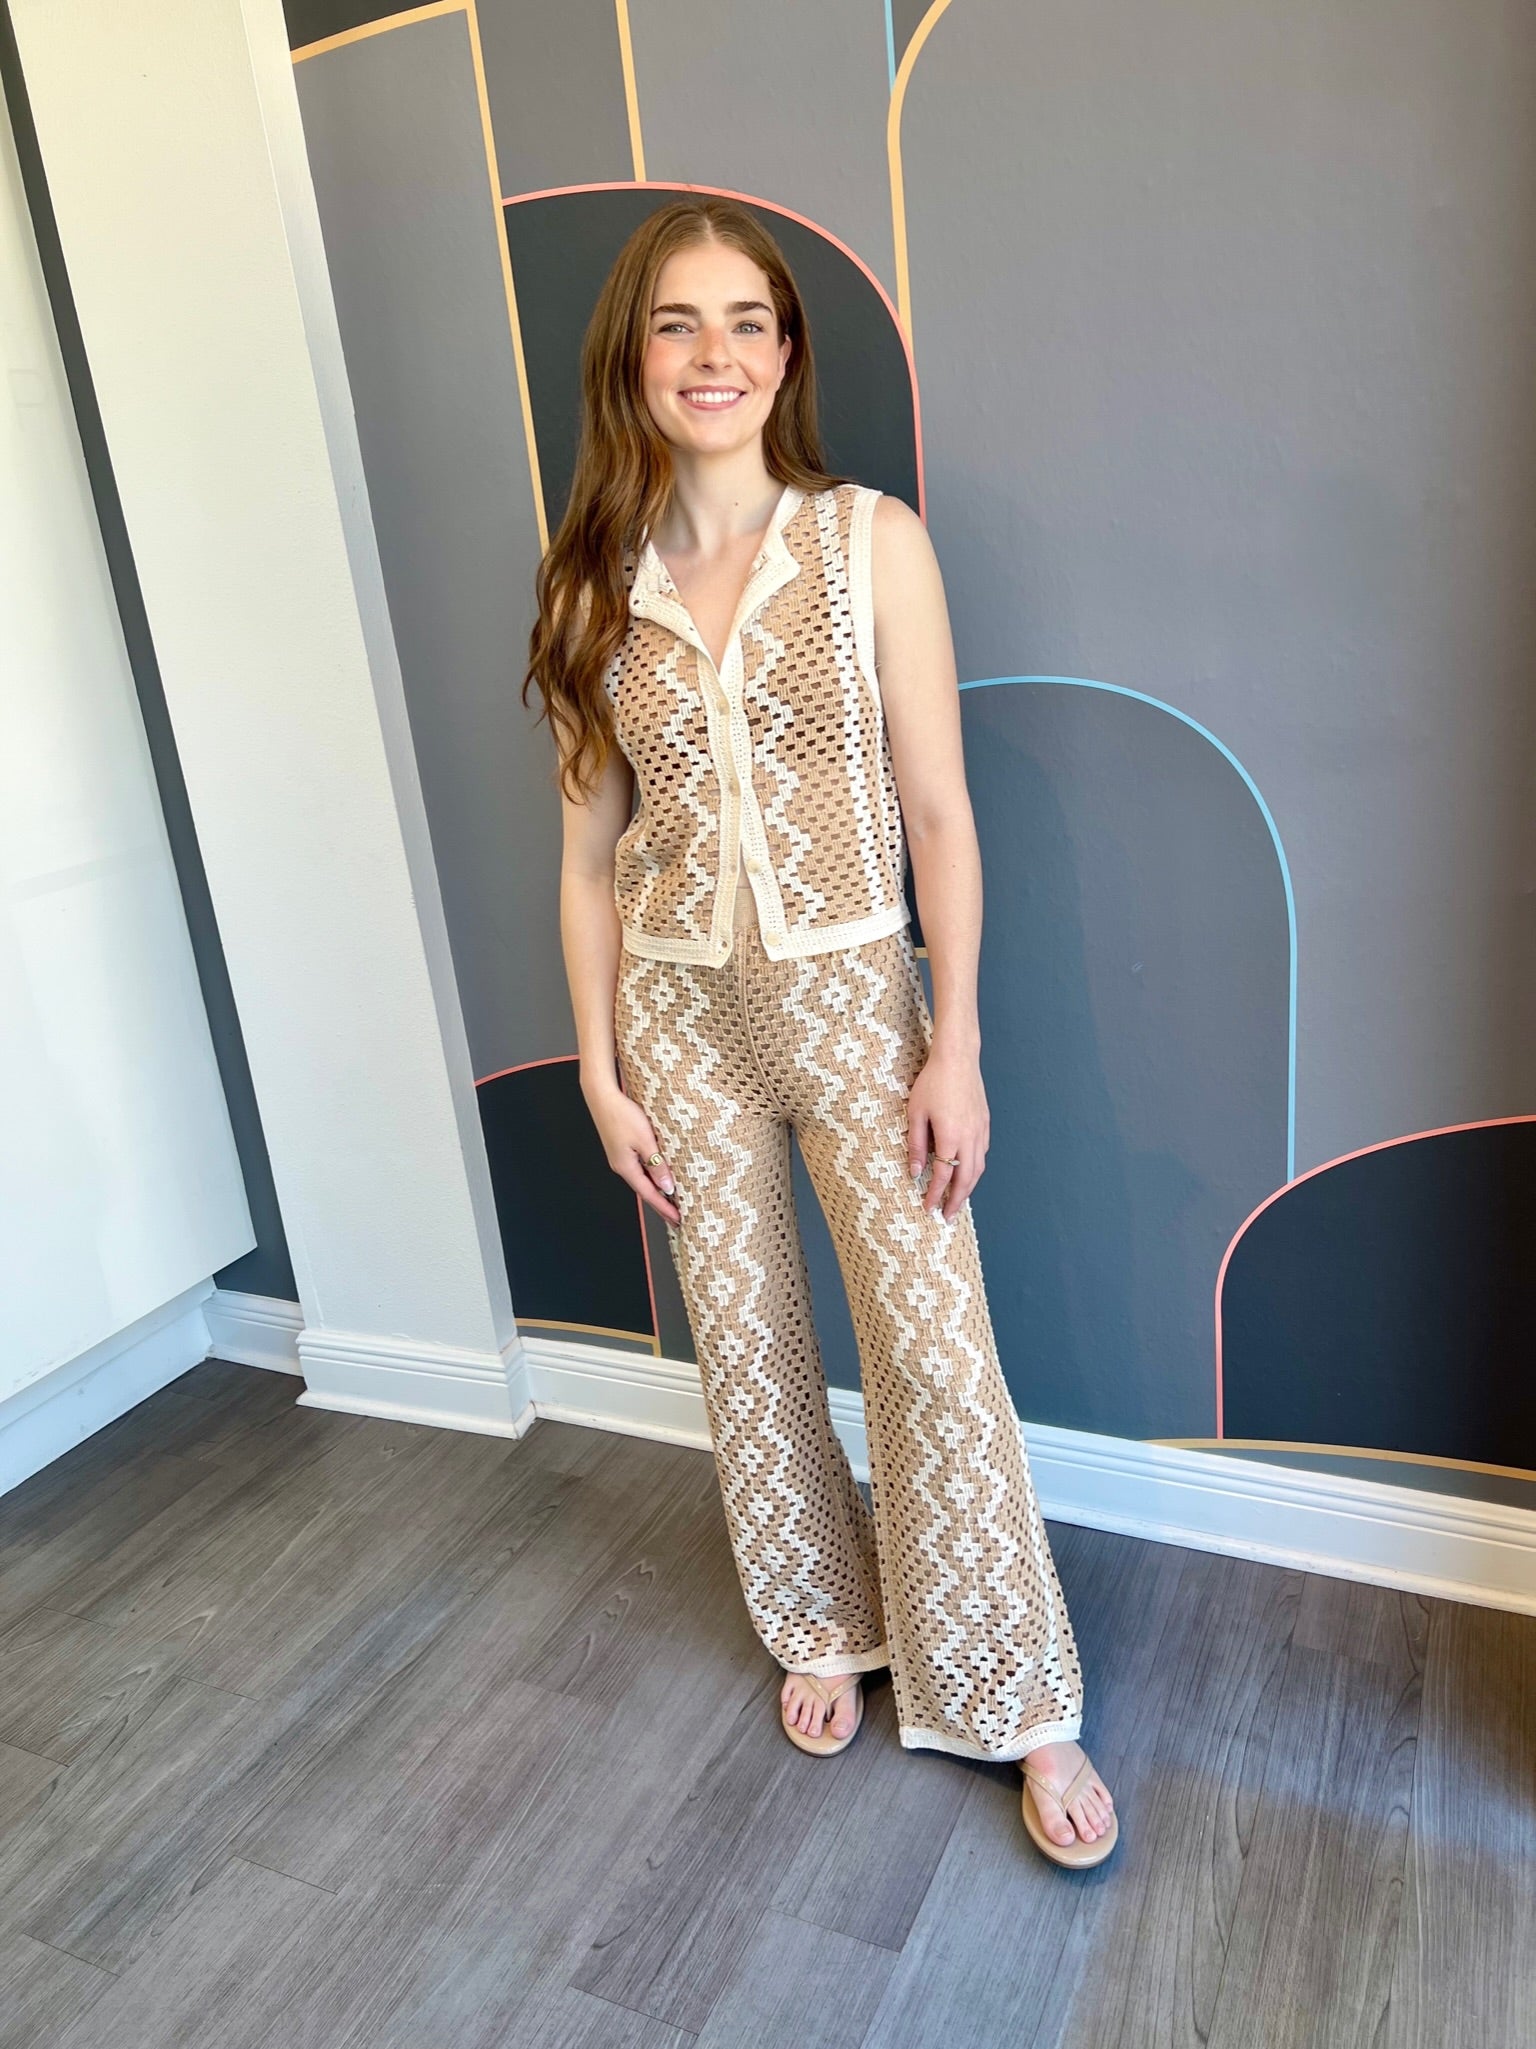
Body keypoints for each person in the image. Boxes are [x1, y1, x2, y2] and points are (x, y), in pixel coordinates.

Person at [523, 197, 1117, 1868]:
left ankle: (1017, 1692)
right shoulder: (590, 584)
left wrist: (956, 1041)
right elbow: (586, 857)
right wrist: (599, 1065)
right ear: (633, 357)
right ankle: (820, 1618)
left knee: (932, 1345)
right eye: (678, 322)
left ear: (785, 354)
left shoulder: (870, 542)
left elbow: (939, 812)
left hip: (860, 1001)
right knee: (748, 1340)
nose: (713, 355)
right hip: (680, 1017)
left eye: (746, 322)